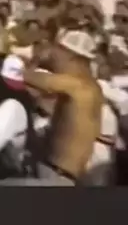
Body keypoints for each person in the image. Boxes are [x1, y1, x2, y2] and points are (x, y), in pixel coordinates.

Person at [22, 29, 103, 185]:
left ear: (70, 55)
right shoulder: (92, 87)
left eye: (58, 49)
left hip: (57, 176)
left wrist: (35, 59)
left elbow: (26, 77)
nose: (53, 54)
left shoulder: (77, 85)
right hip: (61, 174)